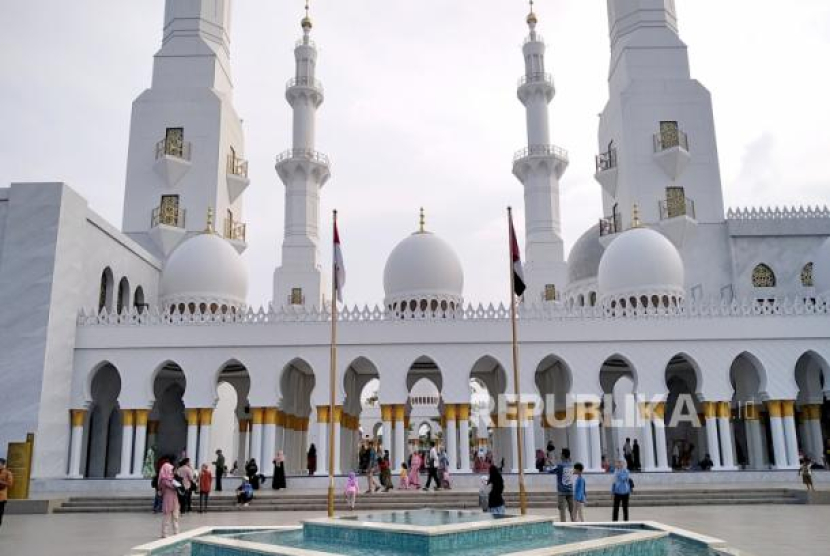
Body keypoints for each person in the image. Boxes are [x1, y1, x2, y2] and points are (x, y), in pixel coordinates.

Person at [548, 448, 575, 522]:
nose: (560, 455)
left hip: (562, 491)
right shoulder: (571, 465)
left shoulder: (560, 465)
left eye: (561, 454)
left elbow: (551, 471)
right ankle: (574, 524)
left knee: (562, 511)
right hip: (570, 490)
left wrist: (550, 463)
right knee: (572, 511)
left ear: (563, 455)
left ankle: (564, 527)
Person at [158, 461, 180, 538]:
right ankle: (164, 533)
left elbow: (178, 486)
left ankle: (176, 531)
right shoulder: (164, 480)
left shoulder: (173, 478)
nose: (171, 471)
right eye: (170, 469)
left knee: (175, 516)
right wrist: (175, 484)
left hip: (174, 499)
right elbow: (165, 489)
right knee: (167, 517)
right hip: (168, 499)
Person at [0, 458, 13, 528]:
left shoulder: (8, 473)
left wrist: (1, 482)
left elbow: (10, 484)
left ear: (3, 464)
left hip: (2, 497)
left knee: (0, 514)